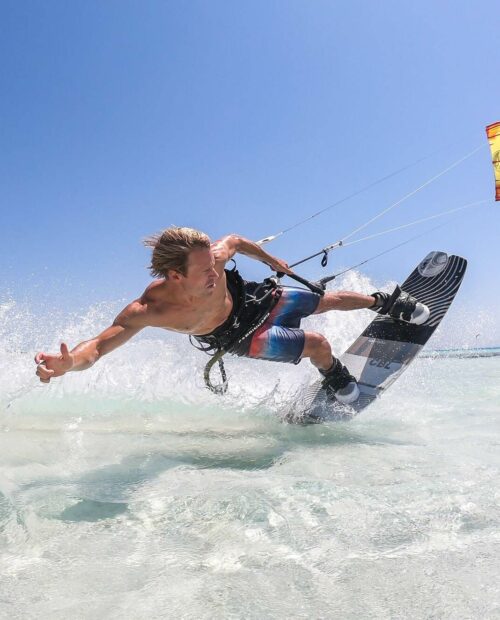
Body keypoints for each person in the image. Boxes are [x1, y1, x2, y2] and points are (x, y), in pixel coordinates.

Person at [34, 227, 429, 404]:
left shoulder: (214, 260)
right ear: (175, 275)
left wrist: (270, 258)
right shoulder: (150, 310)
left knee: (324, 299)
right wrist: (70, 364)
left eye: (214, 264)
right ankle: (336, 378)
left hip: (251, 302)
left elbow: (235, 242)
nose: (215, 272)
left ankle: (382, 302)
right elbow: (100, 346)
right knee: (317, 344)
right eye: (205, 271)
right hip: (237, 336)